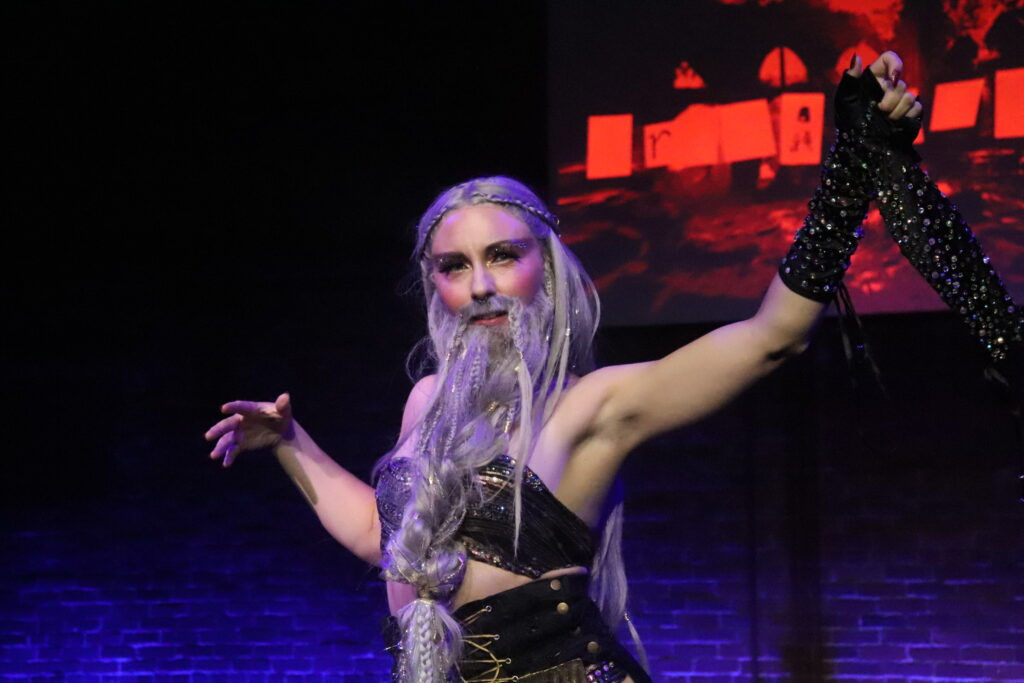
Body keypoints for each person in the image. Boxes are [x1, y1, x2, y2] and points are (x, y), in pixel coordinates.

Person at [204, 52, 1018, 682]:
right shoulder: (427, 403)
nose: (480, 283)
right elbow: (388, 541)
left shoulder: (592, 406)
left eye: (502, 256)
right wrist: (291, 443)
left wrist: (848, 171)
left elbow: (772, 334)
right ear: (434, 286)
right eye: (455, 266)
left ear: (546, 268)